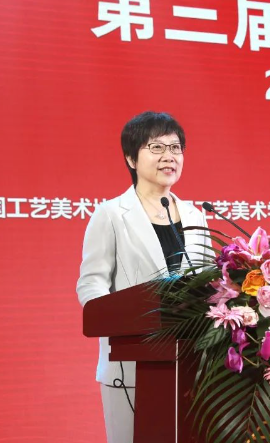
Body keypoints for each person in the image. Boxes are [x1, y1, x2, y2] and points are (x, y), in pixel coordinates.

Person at [76, 111, 212, 443]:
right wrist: (115, 319)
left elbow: (209, 281)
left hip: (194, 364)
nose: (169, 156)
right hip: (131, 365)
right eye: (156, 147)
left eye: (176, 148)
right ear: (131, 158)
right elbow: (91, 282)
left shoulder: (196, 215)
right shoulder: (111, 214)